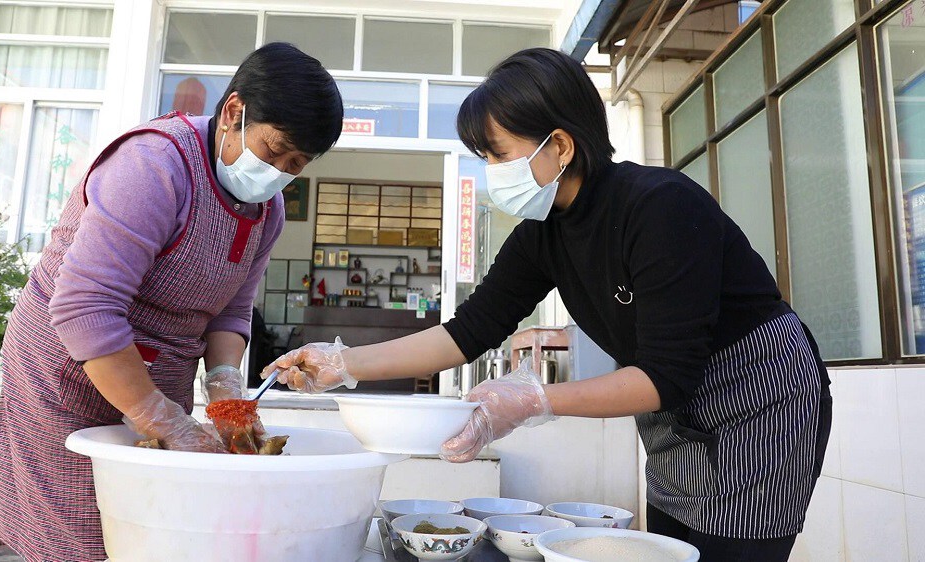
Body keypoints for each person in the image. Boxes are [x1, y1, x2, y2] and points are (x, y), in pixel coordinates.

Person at [263, 48, 831, 562]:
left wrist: (533, 400)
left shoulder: (660, 207)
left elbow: (667, 374)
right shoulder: (544, 233)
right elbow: (468, 331)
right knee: (670, 549)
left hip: (757, 401)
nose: (492, 172)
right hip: (675, 416)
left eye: (499, 154)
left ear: (559, 145)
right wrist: (345, 363)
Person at [0, 43, 342, 561]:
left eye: (296, 165)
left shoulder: (268, 211)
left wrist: (225, 389)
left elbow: (231, 311)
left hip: (163, 375)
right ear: (234, 112)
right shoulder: (153, 165)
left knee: (157, 527)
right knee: (83, 534)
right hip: (71, 371)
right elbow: (86, 307)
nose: (279, 172)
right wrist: (164, 420)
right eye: (274, 151)